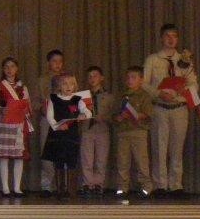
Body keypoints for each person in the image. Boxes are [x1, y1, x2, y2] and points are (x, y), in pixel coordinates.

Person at [143, 23, 199, 197]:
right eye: (167, 35)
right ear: (161, 38)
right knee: (159, 147)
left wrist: (182, 90)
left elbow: (194, 83)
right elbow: (144, 84)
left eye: (174, 36)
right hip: (160, 107)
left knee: (177, 147)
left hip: (179, 107)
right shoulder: (153, 59)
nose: (171, 39)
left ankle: (176, 185)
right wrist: (159, 93)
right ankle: (160, 185)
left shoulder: (184, 60)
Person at [42, 72, 91, 198]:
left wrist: (84, 114)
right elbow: (49, 116)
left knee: (71, 161)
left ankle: (71, 190)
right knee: (58, 161)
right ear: (59, 86)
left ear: (75, 86)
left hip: (71, 135)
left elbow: (88, 111)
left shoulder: (77, 99)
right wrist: (57, 126)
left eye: (71, 84)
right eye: (65, 84)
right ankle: (60, 190)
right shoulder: (53, 99)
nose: (68, 86)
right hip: (57, 135)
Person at [113, 66, 154, 199]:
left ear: (141, 80)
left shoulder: (144, 95)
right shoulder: (121, 96)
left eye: (133, 77)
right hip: (123, 132)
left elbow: (148, 114)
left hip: (138, 131)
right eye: (128, 77)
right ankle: (122, 187)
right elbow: (114, 114)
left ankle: (146, 187)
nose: (130, 80)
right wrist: (120, 117)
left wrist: (135, 114)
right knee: (122, 161)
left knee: (141, 161)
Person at [0, 57, 32, 197]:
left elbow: (27, 104)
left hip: (18, 124)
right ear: (3, 69)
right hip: (4, 123)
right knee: (4, 156)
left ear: (17, 69)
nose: (9, 70)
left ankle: (17, 187)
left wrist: (24, 110)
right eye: (6, 67)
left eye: (12, 66)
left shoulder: (23, 87)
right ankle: (5, 188)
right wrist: (1, 109)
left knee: (18, 156)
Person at [79, 65, 115, 196]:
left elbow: (114, 115)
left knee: (101, 159)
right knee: (87, 159)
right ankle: (87, 184)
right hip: (87, 129)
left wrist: (104, 118)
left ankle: (99, 184)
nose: (92, 78)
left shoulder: (109, 96)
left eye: (95, 75)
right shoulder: (82, 96)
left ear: (102, 78)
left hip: (102, 130)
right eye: (89, 76)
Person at [34, 49, 66, 197]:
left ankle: (62, 186)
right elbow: (35, 102)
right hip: (47, 120)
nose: (57, 64)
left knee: (62, 153)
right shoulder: (42, 80)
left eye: (60, 61)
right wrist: (42, 108)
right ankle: (47, 186)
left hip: (64, 121)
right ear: (48, 63)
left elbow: (75, 99)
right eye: (54, 61)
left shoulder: (68, 79)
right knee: (47, 153)